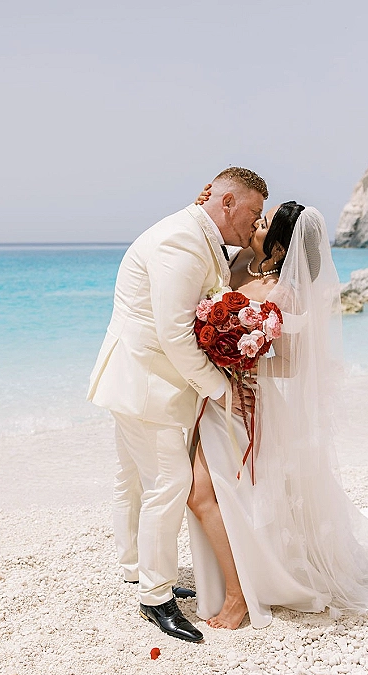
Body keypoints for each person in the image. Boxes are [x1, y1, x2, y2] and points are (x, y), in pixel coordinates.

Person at [187, 199, 368, 629]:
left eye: (263, 224)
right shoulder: (241, 260)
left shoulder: (286, 294)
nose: (255, 226)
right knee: (220, 494)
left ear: (280, 248)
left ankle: (243, 591)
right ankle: (237, 581)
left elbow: (292, 363)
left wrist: (239, 356)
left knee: (219, 492)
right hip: (217, 398)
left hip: (247, 402)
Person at [88, 167, 268, 642]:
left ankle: (135, 566)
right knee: (170, 484)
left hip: (133, 378)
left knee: (131, 479)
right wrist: (220, 387)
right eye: (252, 212)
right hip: (149, 384)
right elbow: (174, 333)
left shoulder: (194, 233)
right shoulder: (182, 241)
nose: (255, 224)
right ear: (226, 202)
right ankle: (155, 597)